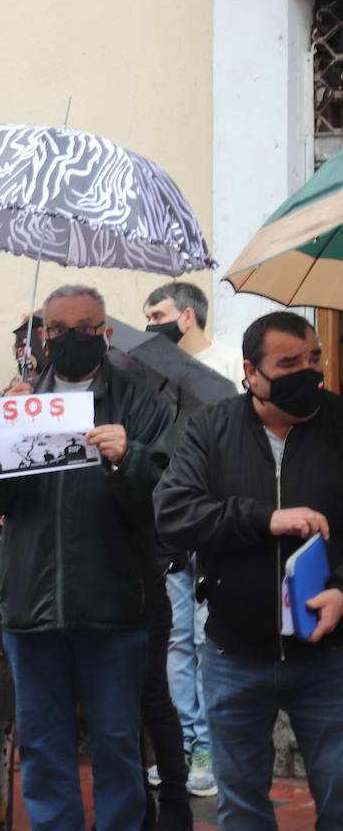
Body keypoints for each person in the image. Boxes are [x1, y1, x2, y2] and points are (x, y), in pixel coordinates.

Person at [0, 285, 172, 831]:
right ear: (41, 334)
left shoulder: (141, 403)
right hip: (31, 604)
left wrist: (126, 458)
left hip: (114, 607)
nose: (72, 336)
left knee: (116, 744)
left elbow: (166, 498)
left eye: (87, 326)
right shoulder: (21, 400)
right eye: (59, 327)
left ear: (105, 333)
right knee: (45, 743)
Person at [154, 310, 343, 831]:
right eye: (289, 364)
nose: (306, 374)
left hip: (328, 657)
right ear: (251, 374)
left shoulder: (340, 423)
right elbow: (174, 513)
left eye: (313, 359)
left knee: (341, 799)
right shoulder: (211, 428)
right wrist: (262, 519)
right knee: (241, 802)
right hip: (235, 653)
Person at [143, 280, 236, 803]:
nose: (151, 322)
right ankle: (185, 744)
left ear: (186, 317)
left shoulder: (227, 366)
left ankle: (213, 751)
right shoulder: (155, 377)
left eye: (158, 313)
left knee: (207, 636)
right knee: (177, 636)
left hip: (217, 518)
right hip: (170, 520)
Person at [143, 281, 242, 383]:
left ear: (188, 317)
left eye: (157, 316)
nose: (150, 324)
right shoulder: (157, 367)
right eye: (148, 319)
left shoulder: (233, 360)